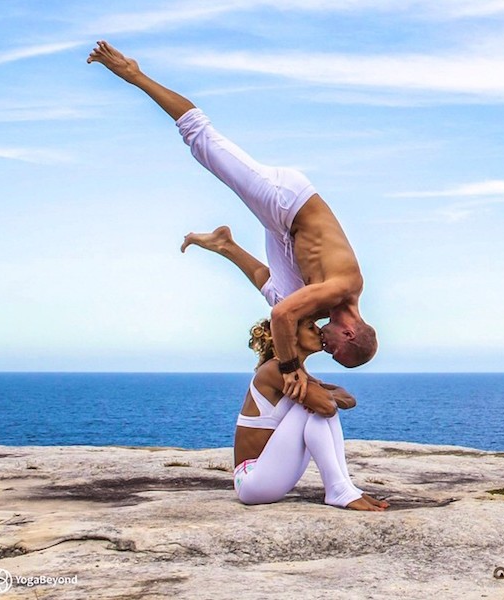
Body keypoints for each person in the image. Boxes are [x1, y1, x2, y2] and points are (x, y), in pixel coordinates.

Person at [87, 41, 378, 403]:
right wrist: (291, 369)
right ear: (349, 333)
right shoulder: (344, 286)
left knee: (284, 298)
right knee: (202, 141)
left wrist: (312, 382)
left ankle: (226, 245)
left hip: (286, 234)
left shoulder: (325, 307)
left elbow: (282, 306)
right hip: (288, 201)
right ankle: (134, 73)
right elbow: (281, 316)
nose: (326, 349)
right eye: (335, 352)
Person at [234, 317, 389, 511]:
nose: (319, 330)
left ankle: (345, 486)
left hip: (272, 477)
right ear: (291, 337)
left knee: (315, 406)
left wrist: (324, 397)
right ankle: (338, 489)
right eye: (310, 327)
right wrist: (323, 398)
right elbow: (327, 405)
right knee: (310, 408)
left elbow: (348, 399)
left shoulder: (300, 374)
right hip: (250, 481)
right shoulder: (274, 369)